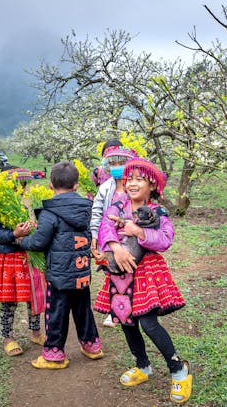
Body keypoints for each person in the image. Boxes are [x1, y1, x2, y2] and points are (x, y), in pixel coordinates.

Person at [94, 157, 192, 404]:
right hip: (120, 273)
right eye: (129, 179)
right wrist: (116, 247)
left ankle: (179, 369)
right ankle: (143, 365)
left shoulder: (157, 211)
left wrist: (139, 232)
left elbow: (166, 238)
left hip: (146, 272)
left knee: (148, 323)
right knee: (127, 322)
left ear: (152, 187)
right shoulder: (118, 205)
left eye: (140, 179)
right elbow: (106, 225)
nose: (132, 184)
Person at [14, 161, 103, 369]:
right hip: (81, 273)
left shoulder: (49, 212)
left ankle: (53, 356)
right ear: (76, 186)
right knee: (83, 310)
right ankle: (92, 347)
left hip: (59, 277)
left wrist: (20, 241)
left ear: (50, 186)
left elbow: (38, 243)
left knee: (56, 313)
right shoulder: (86, 209)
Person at [0, 168, 45, 357]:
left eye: (23, 185)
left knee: (34, 296)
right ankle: (7, 337)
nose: (21, 189)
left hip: (28, 257)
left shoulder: (23, 205)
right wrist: (15, 234)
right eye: (17, 185)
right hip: (9, 259)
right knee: (9, 301)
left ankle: (36, 333)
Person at [89, 144, 138, 327]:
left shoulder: (133, 185)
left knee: (129, 269)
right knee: (112, 271)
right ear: (107, 165)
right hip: (108, 236)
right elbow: (97, 212)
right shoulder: (105, 188)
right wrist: (94, 234)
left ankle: (131, 306)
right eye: (113, 163)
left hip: (129, 235)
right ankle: (115, 310)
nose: (117, 166)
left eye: (121, 163)